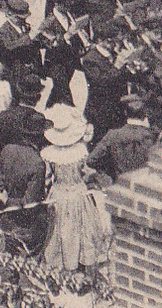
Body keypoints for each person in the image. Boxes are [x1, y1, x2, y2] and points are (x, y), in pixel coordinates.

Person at [38, 106, 111, 278]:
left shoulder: (48, 153)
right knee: (83, 228)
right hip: (78, 193)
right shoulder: (80, 151)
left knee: (61, 229)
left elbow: (48, 177)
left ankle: (63, 265)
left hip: (59, 193)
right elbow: (85, 171)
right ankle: (81, 263)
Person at [87, 94, 156, 182]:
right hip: (144, 186)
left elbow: (91, 160)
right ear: (144, 114)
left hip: (118, 185)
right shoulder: (150, 136)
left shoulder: (113, 135)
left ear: (125, 113)